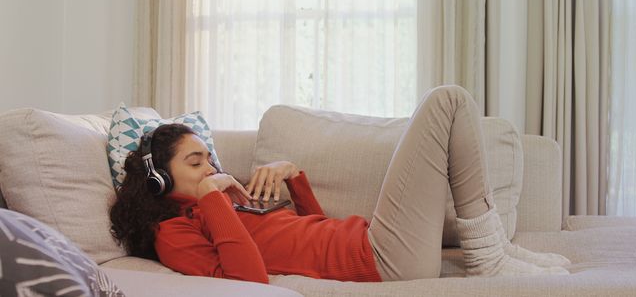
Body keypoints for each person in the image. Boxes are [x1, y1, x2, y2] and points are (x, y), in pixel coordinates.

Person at [109, 85, 571, 283]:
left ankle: (494, 251)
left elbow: (315, 232)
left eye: (209, 158)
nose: (210, 169)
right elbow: (249, 279)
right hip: (381, 258)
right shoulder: (175, 234)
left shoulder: (223, 202)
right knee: (446, 101)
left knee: (454, 102)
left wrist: (295, 179)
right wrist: (216, 201)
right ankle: (488, 254)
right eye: (196, 163)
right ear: (158, 180)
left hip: (373, 243)